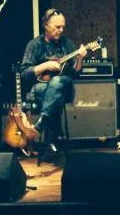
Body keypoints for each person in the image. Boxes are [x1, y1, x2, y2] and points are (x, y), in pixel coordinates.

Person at [20, 8, 88, 155]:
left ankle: (40, 126)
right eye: (57, 27)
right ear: (46, 25)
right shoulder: (35, 45)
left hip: (65, 87)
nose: (61, 30)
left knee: (57, 82)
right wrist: (45, 66)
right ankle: (54, 139)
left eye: (63, 27)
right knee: (54, 96)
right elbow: (25, 73)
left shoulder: (67, 44)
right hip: (42, 89)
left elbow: (76, 73)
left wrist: (80, 58)